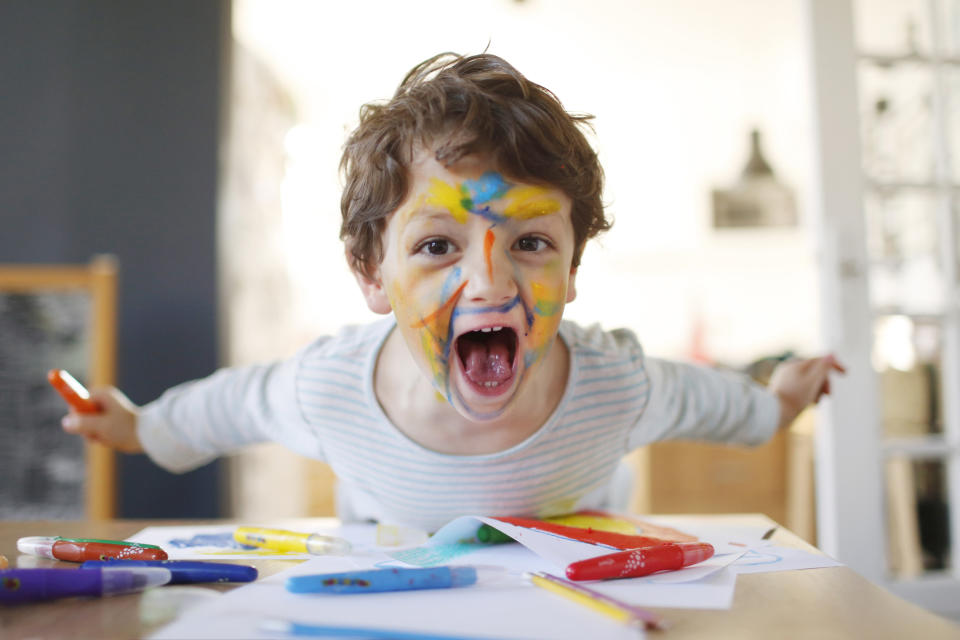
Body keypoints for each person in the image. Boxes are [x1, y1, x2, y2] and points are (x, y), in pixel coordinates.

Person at [61, 52, 844, 532]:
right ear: (371, 275)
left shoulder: (615, 383)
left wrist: (776, 402)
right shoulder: (330, 387)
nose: (490, 281)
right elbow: (230, 406)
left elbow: (714, 403)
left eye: (533, 243)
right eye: (438, 246)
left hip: (567, 607)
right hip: (399, 603)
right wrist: (139, 426)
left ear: (573, 272)